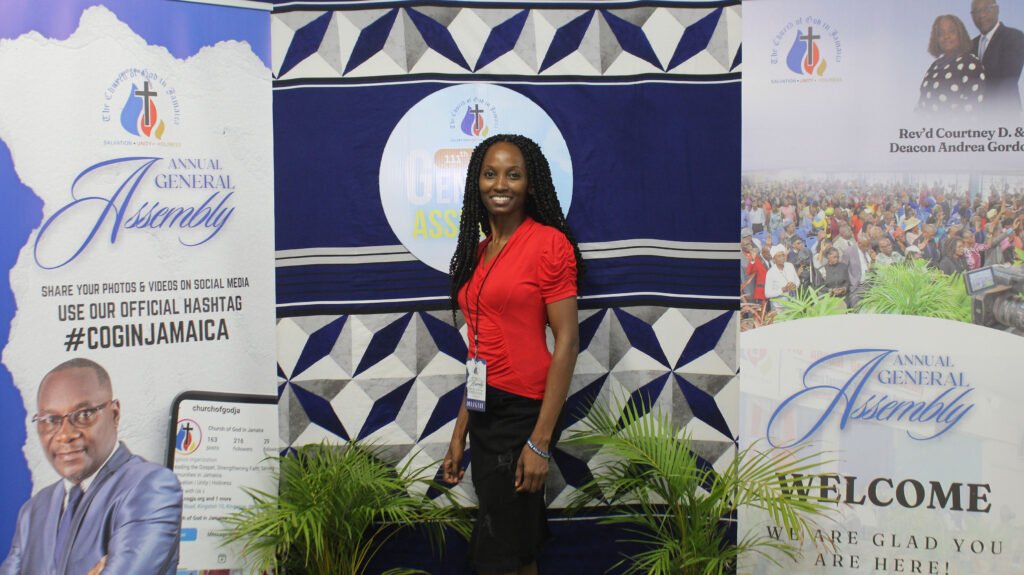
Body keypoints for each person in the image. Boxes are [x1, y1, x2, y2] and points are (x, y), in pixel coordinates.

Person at [443, 134, 581, 575]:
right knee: (517, 548)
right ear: (476, 182)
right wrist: (459, 431)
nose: (500, 183)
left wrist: (539, 442)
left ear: (530, 184)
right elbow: (477, 351)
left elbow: (568, 343)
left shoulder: (548, 244)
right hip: (486, 411)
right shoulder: (479, 252)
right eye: (490, 173)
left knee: (495, 553)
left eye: (513, 174)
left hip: (526, 411)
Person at [1, 358, 182, 575]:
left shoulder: (151, 487)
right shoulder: (33, 511)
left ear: (114, 414)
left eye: (84, 415)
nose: (65, 434)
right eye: (50, 420)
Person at [919, 15, 986, 114]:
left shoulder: (971, 65)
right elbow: (921, 105)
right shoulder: (935, 66)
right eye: (940, 33)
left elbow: (972, 111)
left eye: (952, 31)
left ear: (960, 34)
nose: (946, 36)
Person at [971, 0, 1024, 113]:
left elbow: (1007, 80)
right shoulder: (970, 46)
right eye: (976, 11)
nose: (981, 15)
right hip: (975, 120)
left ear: (997, 10)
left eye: (987, 9)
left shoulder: (1014, 37)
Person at [764, 245, 799, 310]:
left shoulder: (790, 266)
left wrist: (794, 285)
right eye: (779, 256)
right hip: (779, 307)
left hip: (793, 302)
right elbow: (767, 293)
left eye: (783, 255)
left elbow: (797, 281)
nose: (782, 257)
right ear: (774, 259)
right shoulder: (770, 273)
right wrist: (782, 290)